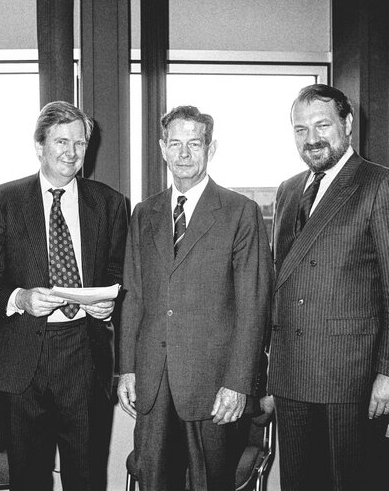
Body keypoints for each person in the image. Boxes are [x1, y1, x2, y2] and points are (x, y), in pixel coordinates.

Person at [267, 84, 389, 490]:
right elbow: (279, 282)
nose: (312, 138)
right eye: (300, 129)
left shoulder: (382, 186)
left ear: (347, 124)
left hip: (350, 379)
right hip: (291, 376)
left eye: (322, 125)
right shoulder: (288, 191)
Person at [117, 105, 273, 491]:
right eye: (175, 143)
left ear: (211, 148)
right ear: (162, 148)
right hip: (154, 380)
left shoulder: (241, 212)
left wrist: (238, 383)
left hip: (214, 385)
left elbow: (254, 304)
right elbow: (133, 295)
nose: (184, 154)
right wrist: (128, 369)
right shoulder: (144, 213)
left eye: (194, 143)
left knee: (210, 484)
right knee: (155, 482)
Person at [0, 101, 128, 491]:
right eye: (61, 141)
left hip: (85, 357)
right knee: (28, 479)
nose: (72, 152)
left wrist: (108, 302)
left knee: (87, 476)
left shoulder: (110, 203)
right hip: (22, 360)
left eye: (80, 143)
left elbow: (117, 271)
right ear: (39, 146)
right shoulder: (4, 199)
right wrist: (21, 297)